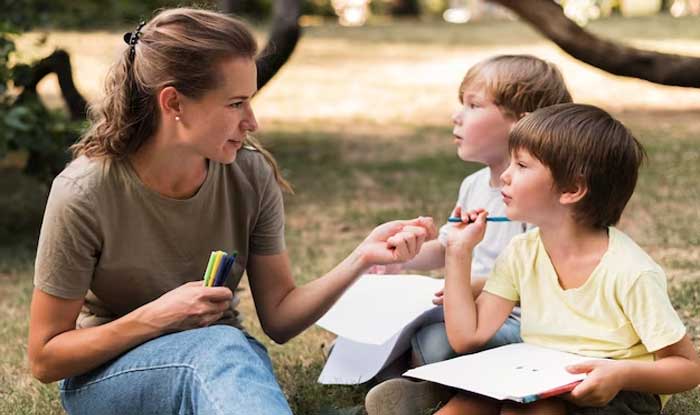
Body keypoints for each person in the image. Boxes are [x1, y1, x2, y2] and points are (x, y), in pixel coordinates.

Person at [27, 8, 436, 415]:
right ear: (174, 103)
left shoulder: (249, 174)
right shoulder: (83, 193)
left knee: (225, 354)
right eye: (236, 103)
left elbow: (279, 318)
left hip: (225, 361)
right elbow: (46, 358)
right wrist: (158, 318)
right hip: (109, 375)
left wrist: (361, 257)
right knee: (219, 349)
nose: (252, 122)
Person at [436, 103, 700, 415]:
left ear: (572, 189)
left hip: (617, 388)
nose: (504, 176)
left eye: (521, 165)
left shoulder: (630, 271)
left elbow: (687, 368)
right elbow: (467, 337)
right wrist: (458, 252)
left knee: (532, 410)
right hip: (541, 375)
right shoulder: (521, 252)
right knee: (468, 402)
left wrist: (620, 374)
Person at [364, 55, 572, 415]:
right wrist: (404, 254)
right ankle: (420, 386)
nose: (456, 116)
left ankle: (432, 390)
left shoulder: (538, 194)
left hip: (521, 321)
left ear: (522, 123)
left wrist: (470, 287)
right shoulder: (474, 185)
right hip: (468, 308)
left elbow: (543, 273)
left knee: (437, 341)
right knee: (390, 321)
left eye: (473, 105)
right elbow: (448, 246)